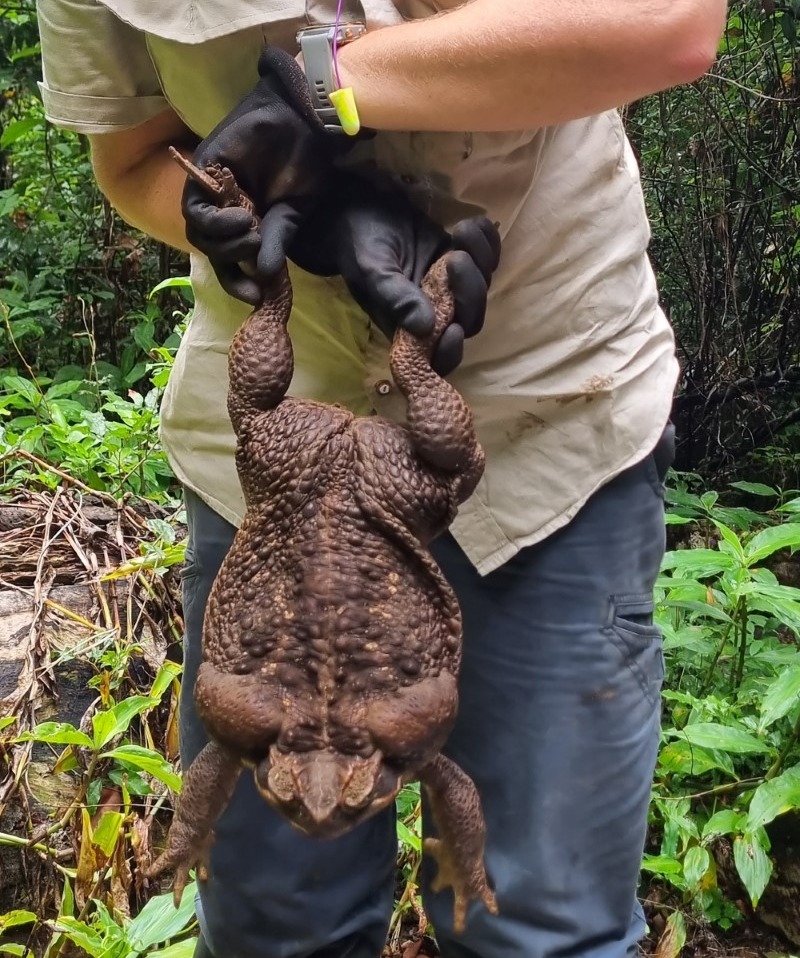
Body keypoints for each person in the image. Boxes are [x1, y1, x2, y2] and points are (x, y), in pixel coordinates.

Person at [35, 3, 727, 957]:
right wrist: (255, 224)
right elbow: (131, 162)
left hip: (548, 414)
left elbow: (669, 23)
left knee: (541, 930)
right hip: (275, 473)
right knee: (277, 931)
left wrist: (317, 93)